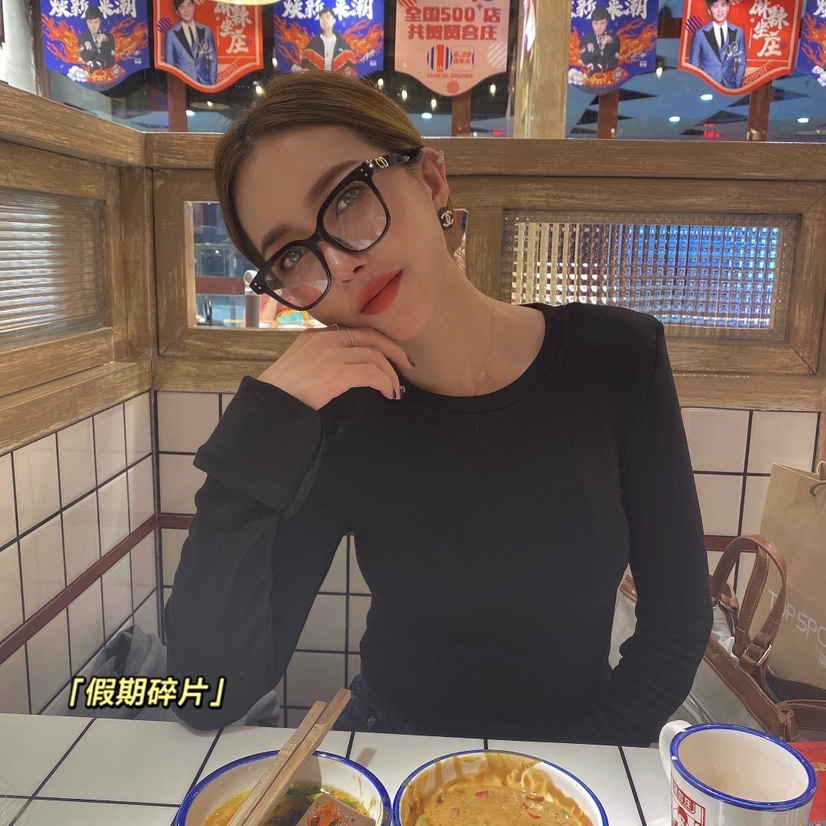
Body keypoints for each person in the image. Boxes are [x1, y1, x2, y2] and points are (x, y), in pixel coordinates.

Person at [164, 71, 713, 746]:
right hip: (391, 750)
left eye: (347, 199)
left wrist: (559, 773)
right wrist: (260, 426)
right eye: (294, 255)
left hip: (577, 752)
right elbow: (208, 693)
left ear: (429, 180)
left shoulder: (618, 359)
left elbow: (678, 624)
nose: (341, 263)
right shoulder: (339, 417)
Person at [689, 0, 746, 89]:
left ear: (728, 7)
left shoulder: (739, 32)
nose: (720, 10)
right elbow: (694, 65)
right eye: (715, 6)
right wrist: (698, 87)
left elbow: (741, 62)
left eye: (723, 5)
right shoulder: (700, 35)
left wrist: (737, 85)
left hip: (731, 86)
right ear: (709, 11)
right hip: (707, 86)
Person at [164, 0, 217, 86]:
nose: (187, 10)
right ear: (177, 11)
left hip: (205, 83)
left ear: (194, 6)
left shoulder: (206, 30)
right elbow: (169, 65)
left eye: (189, 5)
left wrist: (212, 82)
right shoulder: (171, 35)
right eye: (182, 7)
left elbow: (213, 59)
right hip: (183, 85)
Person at [300, 8, 357, 77]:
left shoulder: (343, 44)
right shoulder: (312, 44)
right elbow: (304, 66)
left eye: (328, 17)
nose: (325, 20)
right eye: (322, 18)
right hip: (317, 81)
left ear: (334, 21)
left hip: (337, 81)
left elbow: (351, 67)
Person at [580, 6, 620, 75]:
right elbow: (585, 60)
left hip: (610, 76)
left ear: (607, 22)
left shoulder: (614, 39)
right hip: (590, 77)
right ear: (592, 23)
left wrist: (598, 67)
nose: (598, 27)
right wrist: (601, 46)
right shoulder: (585, 39)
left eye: (602, 23)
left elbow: (615, 62)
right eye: (595, 23)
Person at [79, 6, 115, 71]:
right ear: (86, 22)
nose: (93, 26)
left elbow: (111, 61)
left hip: (105, 73)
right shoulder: (83, 37)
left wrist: (104, 43)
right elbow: (85, 58)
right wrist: (98, 44)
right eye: (90, 22)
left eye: (96, 22)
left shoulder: (108, 37)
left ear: (100, 21)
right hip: (88, 73)